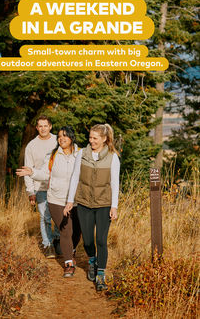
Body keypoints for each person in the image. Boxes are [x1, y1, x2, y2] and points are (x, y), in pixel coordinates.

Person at [17, 126, 81, 278]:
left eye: (65, 136)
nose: (61, 139)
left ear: (71, 137)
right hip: (56, 199)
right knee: (66, 230)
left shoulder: (80, 154)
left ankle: (71, 250)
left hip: (77, 200)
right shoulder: (53, 155)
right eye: (59, 136)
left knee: (77, 231)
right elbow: (45, 174)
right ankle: (68, 264)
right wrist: (32, 172)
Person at [64, 123, 120, 291]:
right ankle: (92, 261)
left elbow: (115, 183)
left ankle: (101, 275)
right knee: (88, 240)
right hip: (84, 203)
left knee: (101, 240)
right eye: (90, 137)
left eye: (95, 138)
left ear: (104, 139)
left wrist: (114, 206)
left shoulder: (112, 157)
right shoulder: (82, 154)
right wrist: (69, 201)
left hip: (104, 204)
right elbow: (75, 178)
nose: (92, 140)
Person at [23, 115, 60, 258]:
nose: (43, 128)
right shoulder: (32, 146)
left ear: (50, 126)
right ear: (37, 128)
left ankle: (57, 239)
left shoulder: (58, 140)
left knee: (58, 216)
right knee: (45, 217)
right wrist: (30, 191)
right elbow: (28, 169)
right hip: (40, 187)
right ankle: (48, 244)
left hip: (57, 187)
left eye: (46, 125)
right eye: (40, 126)